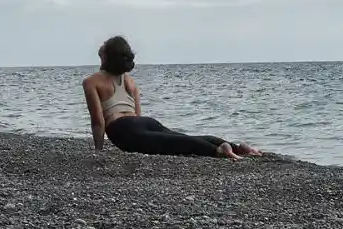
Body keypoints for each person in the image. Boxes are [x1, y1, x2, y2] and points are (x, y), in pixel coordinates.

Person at [81, 36, 263, 159]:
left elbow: (98, 121)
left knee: (175, 143)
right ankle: (237, 146)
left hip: (122, 129)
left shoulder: (92, 81)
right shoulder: (130, 81)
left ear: (105, 56)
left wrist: (98, 151)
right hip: (144, 122)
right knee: (177, 137)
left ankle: (219, 151)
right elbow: (137, 115)